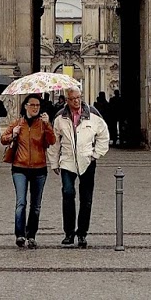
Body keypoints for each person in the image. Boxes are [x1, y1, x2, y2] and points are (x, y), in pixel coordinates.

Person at [47, 87, 110, 247]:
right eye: (72, 98)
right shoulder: (60, 117)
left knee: (86, 199)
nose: (76, 101)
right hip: (67, 160)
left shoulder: (93, 114)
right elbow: (54, 142)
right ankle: (69, 232)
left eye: (78, 98)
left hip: (87, 160)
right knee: (68, 193)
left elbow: (103, 134)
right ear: (67, 100)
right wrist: (54, 162)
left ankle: (82, 233)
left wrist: (96, 154)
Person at [1, 94, 56, 249]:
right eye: (32, 105)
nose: (35, 108)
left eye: (38, 105)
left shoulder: (43, 124)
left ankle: (31, 235)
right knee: (21, 202)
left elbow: (52, 141)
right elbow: (3, 139)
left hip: (39, 169)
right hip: (20, 168)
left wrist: (48, 125)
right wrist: (13, 134)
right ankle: (20, 234)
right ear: (25, 106)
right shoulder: (18, 123)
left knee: (36, 206)